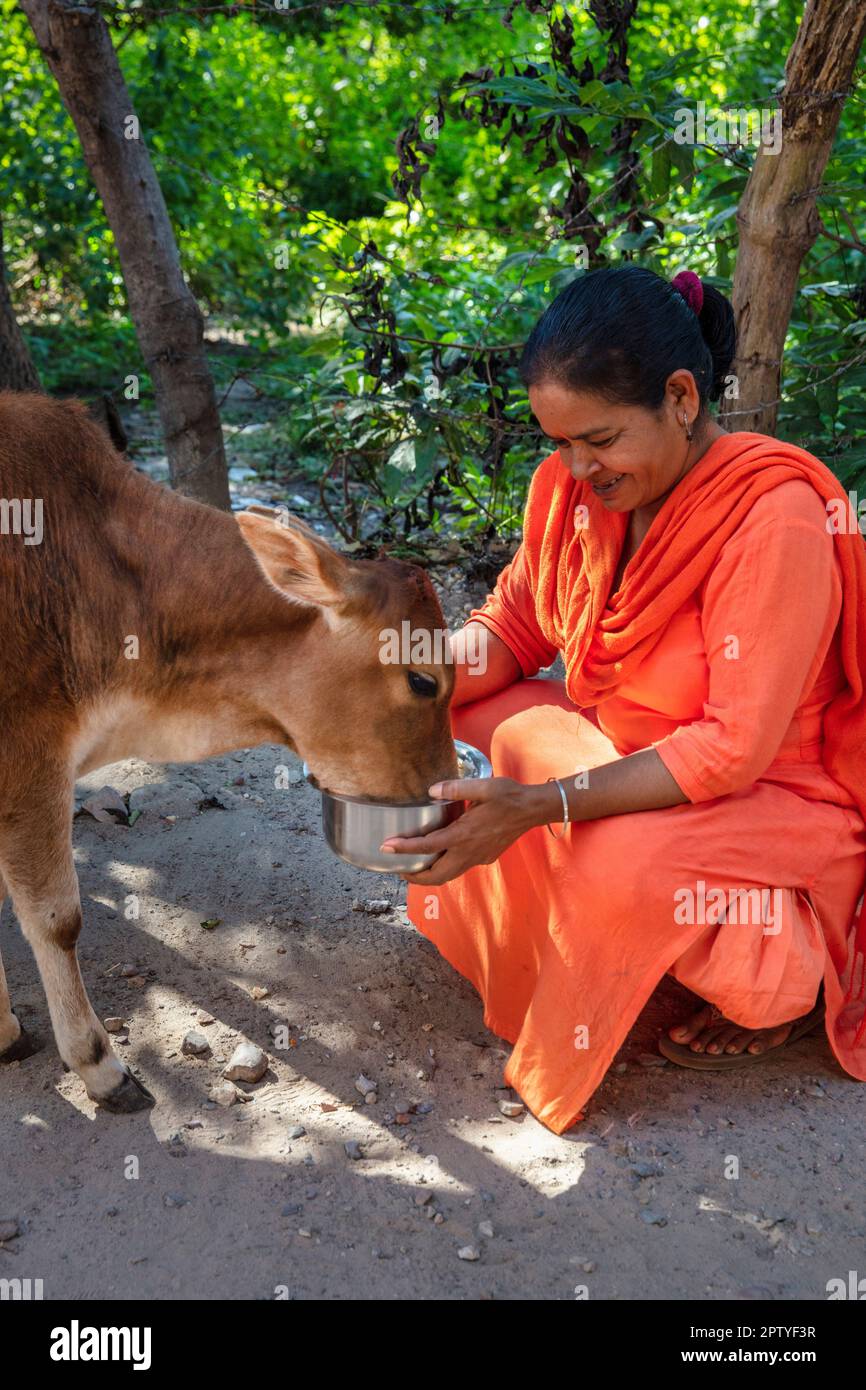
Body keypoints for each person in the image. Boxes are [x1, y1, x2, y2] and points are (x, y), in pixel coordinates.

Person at [381, 264, 866, 1136]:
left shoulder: (776, 517)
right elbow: (517, 628)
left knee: (615, 861)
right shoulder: (571, 490)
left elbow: (728, 751)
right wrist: (398, 673)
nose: (574, 467)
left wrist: (539, 805)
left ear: (681, 397)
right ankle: (584, 951)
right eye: (558, 442)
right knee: (439, 713)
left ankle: (783, 983)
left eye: (596, 439)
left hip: (769, 794)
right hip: (625, 747)